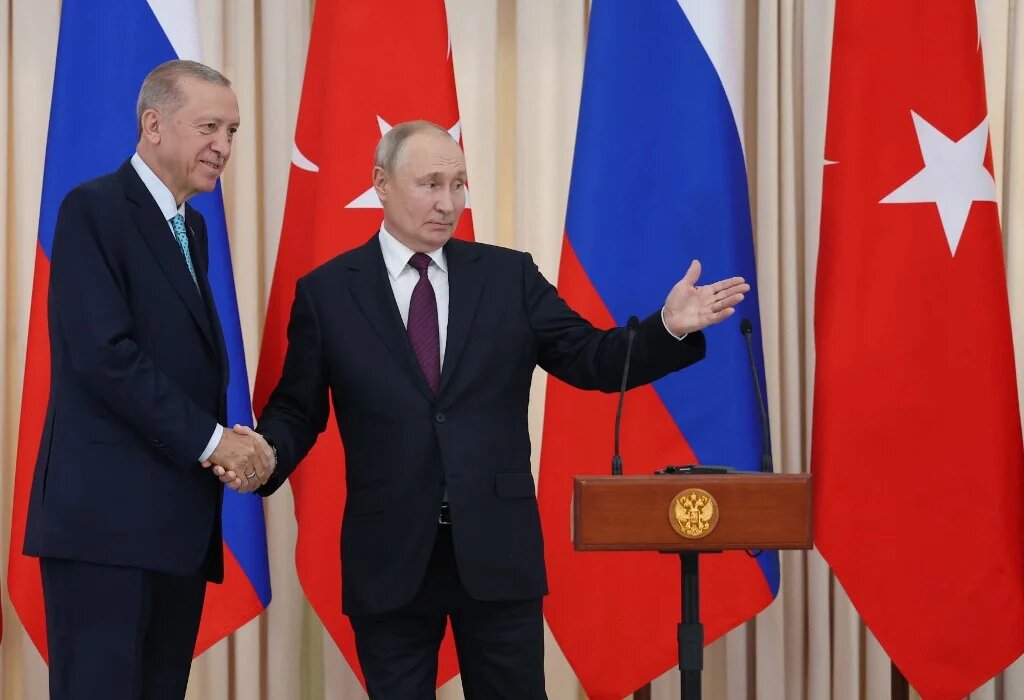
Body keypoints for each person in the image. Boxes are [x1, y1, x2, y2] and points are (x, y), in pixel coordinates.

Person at [219, 120, 748, 698]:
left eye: (459, 184)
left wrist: (667, 327)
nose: (449, 203)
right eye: (430, 184)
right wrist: (266, 455)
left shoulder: (507, 276)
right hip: (389, 554)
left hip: (497, 550)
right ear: (381, 184)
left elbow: (591, 358)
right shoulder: (328, 292)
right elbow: (298, 409)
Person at [22, 59, 271, 700]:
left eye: (233, 131)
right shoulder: (94, 210)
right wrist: (217, 443)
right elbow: (107, 357)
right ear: (153, 125)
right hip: (105, 528)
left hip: (173, 526)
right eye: (210, 126)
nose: (224, 146)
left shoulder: (191, 226)